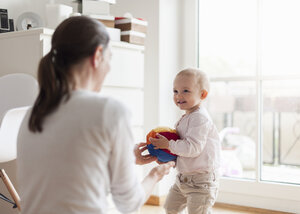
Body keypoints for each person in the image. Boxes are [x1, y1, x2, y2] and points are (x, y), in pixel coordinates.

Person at [17, 16, 174, 214]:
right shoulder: (109, 110)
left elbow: (69, 174)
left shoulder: (32, 114)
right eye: (109, 59)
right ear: (98, 55)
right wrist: (156, 174)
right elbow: (128, 203)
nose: (108, 69)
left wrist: (123, 157)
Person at [150, 68, 221, 214]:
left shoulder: (200, 118)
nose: (178, 96)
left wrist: (168, 145)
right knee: (171, 208)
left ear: (203, 94)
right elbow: (183, 152)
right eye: (175, 91)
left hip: (201, 182)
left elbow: (193, 148)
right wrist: (168, 159)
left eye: (185, 91)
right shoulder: (186, 118)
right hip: (183, 179)